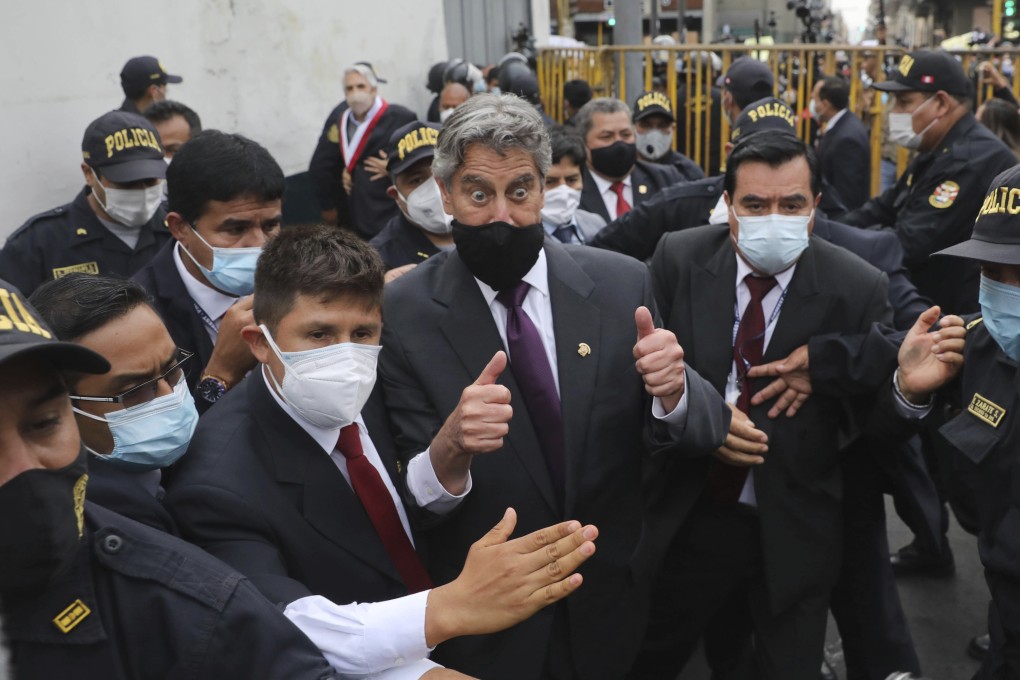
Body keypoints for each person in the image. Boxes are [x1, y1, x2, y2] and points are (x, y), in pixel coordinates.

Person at [379, 93, 730, 680]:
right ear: (445, 196)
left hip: (611, 603)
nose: (501, 215)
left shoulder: (622, 285)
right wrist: (449, 449)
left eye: (519, 192)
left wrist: (675, 392)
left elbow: (700, 432)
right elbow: (408, 500)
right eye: (478, 194)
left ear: (543, 188)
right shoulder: (403, 310)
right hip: (488, 623)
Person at [165, 224, 599, 678]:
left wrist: (447, 452)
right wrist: (452, 606)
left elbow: (398, 499)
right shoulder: (215, 482)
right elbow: (280, 624)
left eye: (363, 332)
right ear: (260, 343)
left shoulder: (369, 382)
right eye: (319, 335)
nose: (346, 356)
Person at [634, 133, 892, 680]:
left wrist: (829, 362)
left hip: (793, 527)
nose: (773, 218)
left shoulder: (857, 285)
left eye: (791, 204)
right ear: (728, 205)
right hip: (691, 513)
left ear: (815, 206)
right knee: (652, 656)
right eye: (755, 205)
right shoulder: (677, 258)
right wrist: (699, 420)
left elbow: (886, 374)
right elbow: (638, 377)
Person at [0, 277, 342, 680]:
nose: (167, 396)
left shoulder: (178, 592)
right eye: (133, 391)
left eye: (42, 424)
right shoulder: (126, 515)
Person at [869, 163, 1020, 678]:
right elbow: (884, 440)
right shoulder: (975, 343)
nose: (1006, 291)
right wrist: (908, 390)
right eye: (992, 272)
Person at [842, 49, 1016, 317]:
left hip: (953, 320)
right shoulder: (938, 150)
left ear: (941, 103)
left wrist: (835, 240)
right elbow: (883, 207)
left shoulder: (971, 159)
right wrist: (829, 230)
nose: (894, 111)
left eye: (903, 101)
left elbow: (909, 243)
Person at [29, 274, 197, 535]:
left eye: (172, 369)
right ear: (63, 408)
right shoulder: (95, 521)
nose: (168, 397)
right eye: (134, 391)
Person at [132, 131, 280, 413]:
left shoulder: (299, 284)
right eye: (235, 229)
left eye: (271, 226)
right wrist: (220, 377)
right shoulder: (138, 317)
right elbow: (162, 451)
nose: (259, 244)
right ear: (180, 228)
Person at [0, 111, 170, 296]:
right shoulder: (36, 245)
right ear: (89, 174)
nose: (142, 191)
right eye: (126, 183)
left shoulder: (179, 231)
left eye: (151, 181)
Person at [308, 62, 417, 237]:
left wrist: (393, 167)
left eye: (360, 86)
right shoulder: (341, 119)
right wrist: (347, 168)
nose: (355, 93)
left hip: (391, 211)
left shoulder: (401, 116)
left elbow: (419, 161)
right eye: (349, 88)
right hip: (356, 212)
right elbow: (323, 163)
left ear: (373, 90)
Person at [573, 97, 682, 223]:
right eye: (607, 136)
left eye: (626, 135)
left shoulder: (665, 179)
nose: (619, 143)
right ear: (583, 143)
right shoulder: (571, 189)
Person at [370, 121, 453, 276]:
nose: (436, 188)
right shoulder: (380, 261)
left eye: (443, 173)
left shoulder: (493, 226)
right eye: (417, 180)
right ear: (396, 196)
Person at [811, 76, 871, 211]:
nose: (813, 104)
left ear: (825, 105)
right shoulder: (844, 125)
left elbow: (846, 197)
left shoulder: (846, 139)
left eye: (814, 99)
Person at [539, 127, 607, 245]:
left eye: (571, 180)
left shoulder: (596, 224)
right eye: (550, 182)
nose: (563, 190)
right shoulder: (523, 236)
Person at [632, 90, 705, 181]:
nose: (654, 133)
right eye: (646, 125)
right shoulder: (623, 170)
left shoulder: (688, 172)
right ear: (633, 128)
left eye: (662, 125)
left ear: (673, 128)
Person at [117, 55, 182, 115]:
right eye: (164, 84)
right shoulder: (153, 125)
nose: (166, 89)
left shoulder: (115, 122)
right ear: (154, 91)